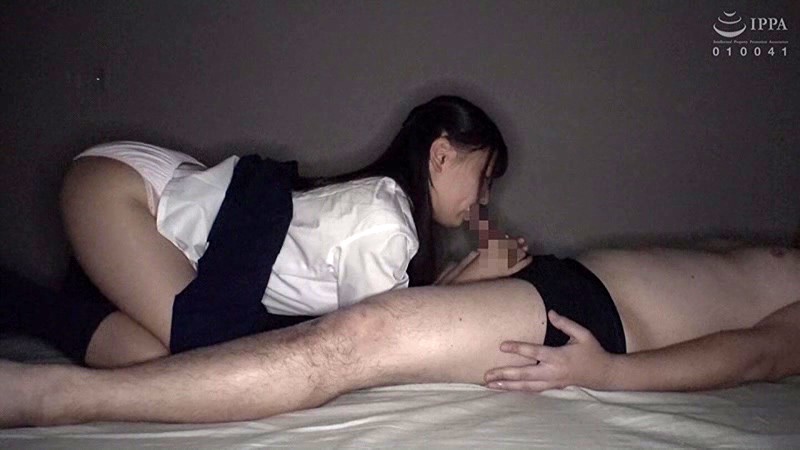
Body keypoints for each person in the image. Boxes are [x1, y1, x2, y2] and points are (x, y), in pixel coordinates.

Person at [2, 241, 798, 427]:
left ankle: (51, 396)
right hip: (567, 286)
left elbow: (762, 354)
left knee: (361, 336)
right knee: (332, 331)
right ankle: (51, 317)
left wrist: (610, 375)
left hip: (591, 322)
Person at [3, 95, 530, 368]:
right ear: (442, 155)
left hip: (156, 200)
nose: (483, 198)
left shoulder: (386, 213)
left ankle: (52, 298)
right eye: (484, 177)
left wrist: (467, 273)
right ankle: (22, 301)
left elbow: (394, 317)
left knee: (155, 364)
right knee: (202, 360)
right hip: (125, 190)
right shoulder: (384, 222)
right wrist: (471, 279)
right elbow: (383, 341)